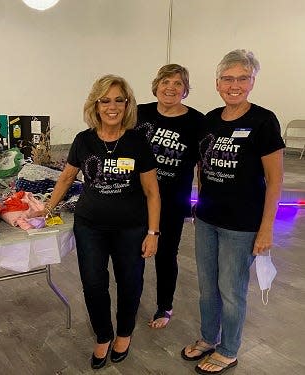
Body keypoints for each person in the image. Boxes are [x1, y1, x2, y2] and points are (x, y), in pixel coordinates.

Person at [41, 74, 160, 369]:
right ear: (95, 104)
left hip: (131, 228)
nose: (112, 106)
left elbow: (152, 192)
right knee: (93, 284)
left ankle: (124, 332)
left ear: (127, 104)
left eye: (119, 100)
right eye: (105, 100)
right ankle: (103, 335)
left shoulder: (137, 141)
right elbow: (67, 177)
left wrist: (153, 232)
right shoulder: (84, 140)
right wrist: (45, 209)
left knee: (129, 283)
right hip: (90, 226)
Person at [181, 50, 284, 375]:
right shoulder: (210, 120)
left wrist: (266, 229)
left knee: (231, 288)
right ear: (217, 83)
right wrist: (199, 203)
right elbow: (202, 166)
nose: (234, 85)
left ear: (252, 82)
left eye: (242, 78)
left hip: (242, 226)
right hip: (208, 219)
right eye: (228, 78)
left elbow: (275, 179)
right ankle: (209, 338)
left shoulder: (263, 121)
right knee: (207, 286)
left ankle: (229, 349)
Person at [136, 64, 205, 329]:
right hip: (136, 199)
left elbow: (203, 166)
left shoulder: (197, 122)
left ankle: (164, 306)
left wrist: (202, 201)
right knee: (133, 254)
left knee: (166, 255)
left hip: (172, 201)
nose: (171, 88)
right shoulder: (139, 114)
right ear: (156, 85)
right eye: (166, 82)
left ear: (185, 90)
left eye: (178, 83)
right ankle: (131, 302)